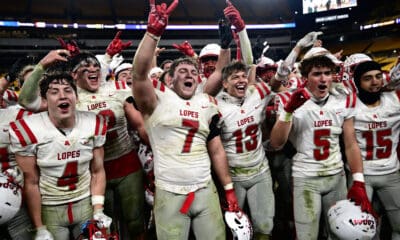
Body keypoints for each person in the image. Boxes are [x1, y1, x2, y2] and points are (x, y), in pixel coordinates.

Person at [131, 0, 240, 239]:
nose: (190, 74)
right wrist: (152, 34)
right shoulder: (156, 101)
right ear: (168, 80)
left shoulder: (203, 101)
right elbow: (138, 74)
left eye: (193, 72)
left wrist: (225, 45)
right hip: (170, 193)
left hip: (204, 189)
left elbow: (221, 73)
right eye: (182, 71)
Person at [18, 48, 149, 239]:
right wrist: (42, 64)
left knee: (135, 220)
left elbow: (138, 123)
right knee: (102, 227)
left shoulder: (116, 88)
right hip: (90, 170)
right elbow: (26, 101)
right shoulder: (69, 93)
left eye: (96, 65)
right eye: (85, 67)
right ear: (74, 75)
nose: (92, 69)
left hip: (126, 161)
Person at [269, 54, 375, 240]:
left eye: (327, 73)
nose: (323, 78)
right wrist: (288, 111)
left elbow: (350, 144)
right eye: (317, 74)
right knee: (306, 235)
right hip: (306, 178)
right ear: (305, 78)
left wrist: (358, 179)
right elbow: (277, 143)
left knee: (339, 234)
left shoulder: (342, 100)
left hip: (336, 177)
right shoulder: (289, 99)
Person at [9, 68, 110, 240]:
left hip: (84, 202)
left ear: (76, 97)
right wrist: (39, 227)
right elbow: (31, 182)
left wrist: (98, 209)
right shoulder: (29, 130)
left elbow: (97, 171)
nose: (62, 96)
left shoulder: (94, 123)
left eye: (68, 90)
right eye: (54, 92)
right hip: (50, 207)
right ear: (44, 100)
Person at [215, 61, 275, 239]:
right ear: (225, 83)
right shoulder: (215, 105)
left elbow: (278, 81)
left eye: (243, 76)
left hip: (260, 171)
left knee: (264, 226)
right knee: (234, 230)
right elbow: (214, 147)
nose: (241, 80)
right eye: (235, 77)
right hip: (233, 175)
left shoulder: (256, 94)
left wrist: (297, 49)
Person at [351, 60, 400, 239]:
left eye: (378, 76)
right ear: (358, 82)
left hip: (392, 171)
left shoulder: (395, 99)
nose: (375, 82)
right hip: (362, 174)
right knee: (362, 231)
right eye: (368, 78)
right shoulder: (349, 103)